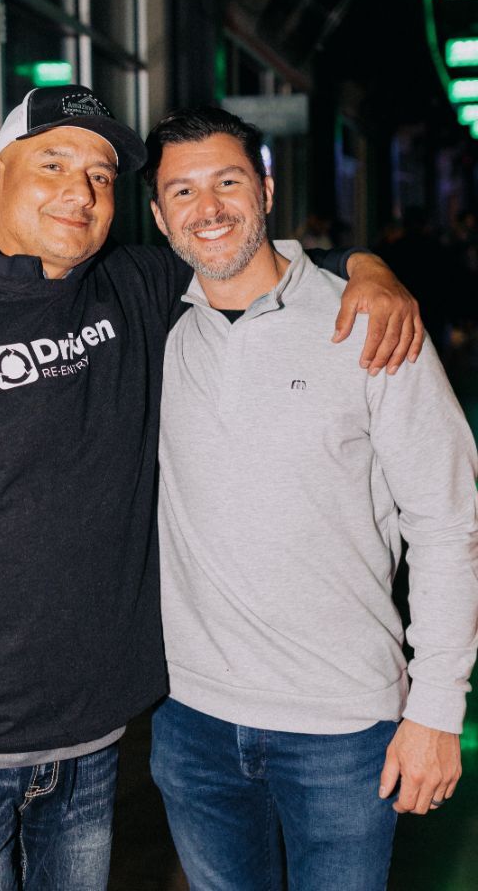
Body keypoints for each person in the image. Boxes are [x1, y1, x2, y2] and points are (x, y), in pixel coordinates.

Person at [0, 85, 418, 891]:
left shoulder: (136, 290)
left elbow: (239, 247)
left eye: (103, 176)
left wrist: (370, 266)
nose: (79, 191)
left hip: (90, 756)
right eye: (52, 163)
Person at [140, 107, 478, 891]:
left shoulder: (368, 323)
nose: (209, 207)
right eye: (182, 191)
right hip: (189, 717)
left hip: (342, 727)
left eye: (227, 181)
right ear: (158, 216)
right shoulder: (156, 325)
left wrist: (435, 708)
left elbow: (447, 520)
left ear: (263, 188)